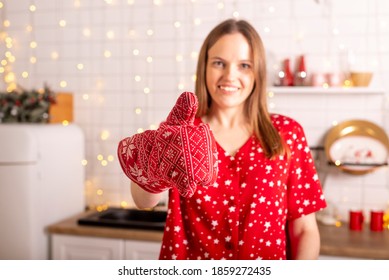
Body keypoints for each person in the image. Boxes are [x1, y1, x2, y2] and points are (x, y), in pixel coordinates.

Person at [123, 18, 327, 260]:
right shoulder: (180, 132)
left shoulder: (287, 133)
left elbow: (304, 230)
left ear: (258, 72)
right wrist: (157, 164)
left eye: (244, 65)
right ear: (204, 67)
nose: (230, 75)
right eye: (219, 63)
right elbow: (143, 201)